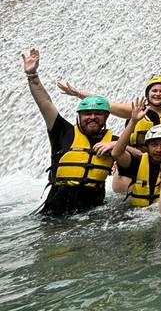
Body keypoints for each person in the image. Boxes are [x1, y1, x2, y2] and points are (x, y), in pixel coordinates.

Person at [23, 48, 117, 214]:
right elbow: (45, 103)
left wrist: (117, 145)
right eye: (87, 114)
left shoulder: (115, 142)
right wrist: (32, 76)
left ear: (106, 117)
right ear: (79, 116)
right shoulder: (63, 132)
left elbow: (142, 153)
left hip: (93, 214)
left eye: (98, 114)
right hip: (55, 212)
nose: (92, 117)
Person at [57, 74, 161, 150]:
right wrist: (78, 93)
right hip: (136, 157)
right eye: (154, 90)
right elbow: (106, 103)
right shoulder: (135, 110)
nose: (157, 94)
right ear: (148, 93)